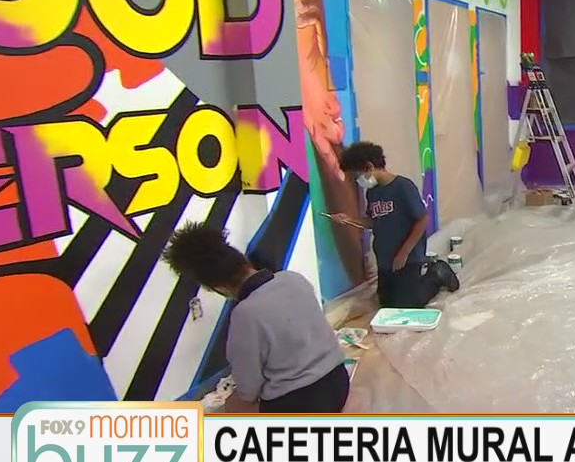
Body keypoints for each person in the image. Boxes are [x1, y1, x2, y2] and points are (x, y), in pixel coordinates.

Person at [161, 221, 350, 413]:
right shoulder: (293, 278)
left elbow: (248, 390)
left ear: (218, 287)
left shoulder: (245, 314)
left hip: (302, 404)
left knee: (233, 406)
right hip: (339, 382)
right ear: (242, 259)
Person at [333, 141, 458, 308]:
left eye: (358, 175)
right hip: (385, 259)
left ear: (369, 167)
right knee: (386, 305)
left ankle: (437, 274)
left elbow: (422, 220)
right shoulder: (372, 193)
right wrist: (349, 219)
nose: (358, 181)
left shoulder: (403, 187)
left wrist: (404, 252)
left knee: (408, 305)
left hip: (408, 259)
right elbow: (373, 221)